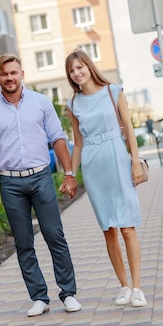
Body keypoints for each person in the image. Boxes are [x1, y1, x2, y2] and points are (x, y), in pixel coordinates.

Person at [0, 54, 81, 317]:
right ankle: (39, 297)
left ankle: (68, 294)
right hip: (10, 182)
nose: (10, 78)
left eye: (13, 73)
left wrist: (69, 173)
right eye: (4, 74)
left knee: (54, 235)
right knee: (24, 243)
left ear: (22, 73)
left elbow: (58, 138)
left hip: (40, 177)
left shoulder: (40, 102)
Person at [61, 49, 147, 308]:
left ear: (89, 66)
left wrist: (134, 161)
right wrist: (71, 175)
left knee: (127, 227)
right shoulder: (72, 104)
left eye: (80, 67)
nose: (77, 73)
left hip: (118, 160)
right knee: (108, 229)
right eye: (72, 71)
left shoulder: (113, 91)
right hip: (93, 164)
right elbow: (77, 143)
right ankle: (124, 286)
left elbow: (129, 128)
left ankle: (138, 288)